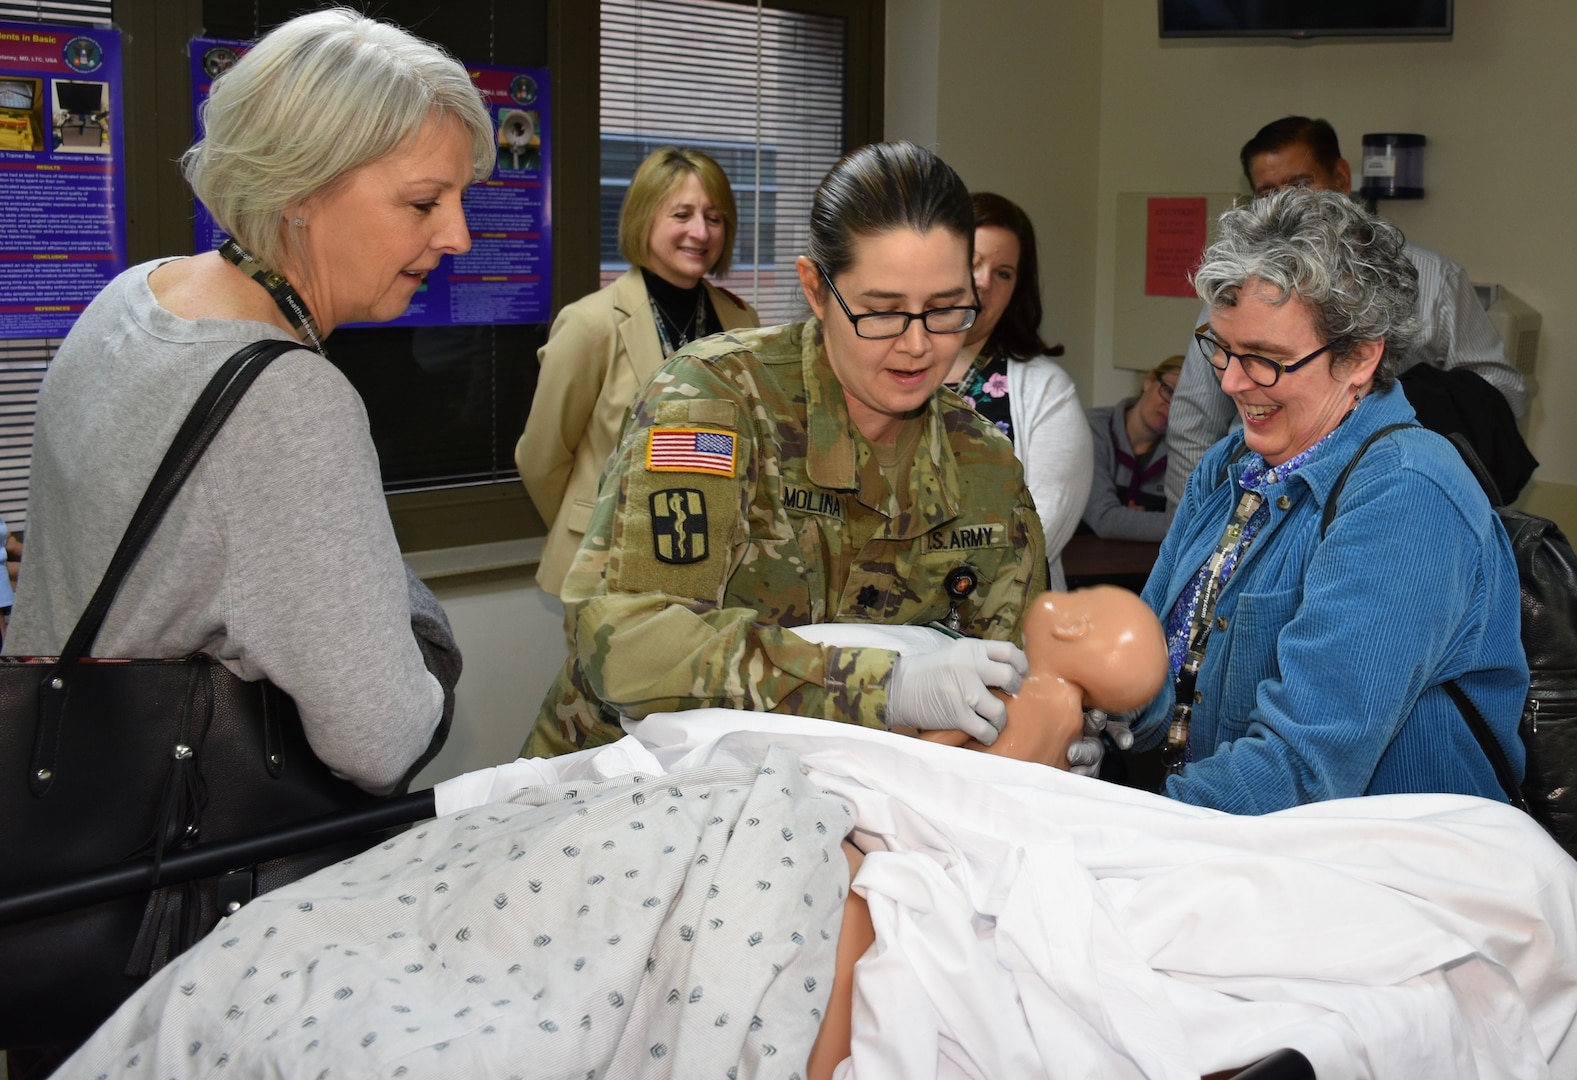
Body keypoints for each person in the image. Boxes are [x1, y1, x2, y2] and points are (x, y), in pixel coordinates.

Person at [3, 9, 490, 796]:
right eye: (424, 202)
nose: (459, 235)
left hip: (59, 791)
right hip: (179, 868)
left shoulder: (136, 293)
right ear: (299, 187)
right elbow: (384, 740)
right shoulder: (286, 399)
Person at [526, 141, 1048, 758]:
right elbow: (635, 649)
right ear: (816, 290)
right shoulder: (715, 404)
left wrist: (1046, 722)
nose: (917, 345)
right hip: (628, 788)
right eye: (880, 312)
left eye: (944, 309)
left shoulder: (983, 466)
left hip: (850, 812)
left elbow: (1012, 664)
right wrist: (883, 685)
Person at [1129, 186, 1527, 814]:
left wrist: (1123, 824)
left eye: (1266, 360)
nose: (1231, 381)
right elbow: (1145, 663)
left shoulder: (1405, 494)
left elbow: (1301, 769)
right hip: (1216, 846)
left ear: (1361, 357)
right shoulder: (1230, 464)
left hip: (1376, 874)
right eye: (1223, 349)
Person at [1163, 116, 1527, 509]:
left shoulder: (1432, 280)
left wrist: (1398, 404)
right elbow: (1193, 421)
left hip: (1380, 492)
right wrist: (1193, 529)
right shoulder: (1236, 288)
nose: (1288, 201)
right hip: (1254, 497)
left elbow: (1500, 393)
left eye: (1301, 184)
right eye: (1268, 191)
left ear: (1340, 178)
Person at [516, 146, 760, 596]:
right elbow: (541, 457)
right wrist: (591, 525)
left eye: (714, 217)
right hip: (607, 565)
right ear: (644, 218)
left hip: (711, 566)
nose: (700, 232)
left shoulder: (742, 321)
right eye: (681, 214)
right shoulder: (591, 323)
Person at [945, 192, 1092, 589]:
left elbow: (1038, 536)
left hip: (1006, 620)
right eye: (972, 263)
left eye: (1004, 273)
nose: (983, 282)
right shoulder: (892, 365)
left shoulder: (1046, 390)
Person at [899, 585, 1168, 769]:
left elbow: (924, 754)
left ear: (1071, 627)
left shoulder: (1011, 685)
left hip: (954, 799)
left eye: (1078, 596)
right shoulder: (1071, 723)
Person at [1082, 355, 1182, 541]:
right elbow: (1104, 519)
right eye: (1168, 392)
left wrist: (1131, 521)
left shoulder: (1182, 450)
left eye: (1183, 404)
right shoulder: (1091, 429)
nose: (1171, 408)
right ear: (1150, 380)